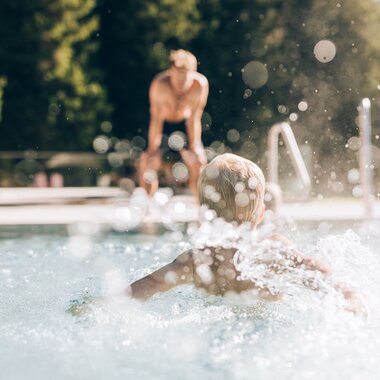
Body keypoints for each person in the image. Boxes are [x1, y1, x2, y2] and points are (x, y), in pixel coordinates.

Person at [128, 153, 366, 315]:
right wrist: (351, 298)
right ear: (261, 213)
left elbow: (149, 284)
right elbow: (321, 274)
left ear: (204, 212)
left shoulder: (198, 259)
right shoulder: (271, 249)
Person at [138, 49, 209, 197]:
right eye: (177, 77)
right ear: (171, 71)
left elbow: (194, 119)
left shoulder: (199, 85)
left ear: (192, 73)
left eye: (184, 78)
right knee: (148, 162)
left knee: (199, 163)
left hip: (184, 124)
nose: (180, 84)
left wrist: (194, 146)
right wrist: (153, 148)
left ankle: (199, 207)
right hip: (162, 125)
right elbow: (156, 119)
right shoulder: (159, 85)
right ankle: (148, 206)